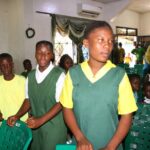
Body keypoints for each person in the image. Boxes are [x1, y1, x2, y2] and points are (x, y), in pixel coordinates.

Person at [60, 21, 138, 150]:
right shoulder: (73, 74)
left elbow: (127, 115)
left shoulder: (119, 75)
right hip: (80, 145)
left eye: (110, 41)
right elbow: (67, 109)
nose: (107, 46)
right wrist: (80, 137)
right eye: (101, 40)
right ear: (86, 43)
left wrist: (110, 147)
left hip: (111, 143)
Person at [7, 41, 67, 150]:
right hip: (35, 127)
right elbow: (28, 99)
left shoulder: (59, 74)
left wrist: (40, 120)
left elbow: (61, 103)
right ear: (35, 54)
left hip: (54, 127)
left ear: (52, 55)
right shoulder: (30, 76)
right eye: (39, 52)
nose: (43, 56)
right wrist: (16, 116)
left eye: (47, 53)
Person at [0, 53, 27, 121]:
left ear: (12, 65)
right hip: (3, 123)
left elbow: (28, 101)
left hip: (21, 122)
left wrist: (17, 116)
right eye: (2, 65)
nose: (5, 67)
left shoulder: (23, 80)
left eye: (8, 64)